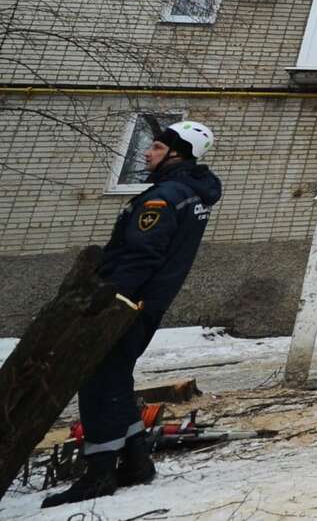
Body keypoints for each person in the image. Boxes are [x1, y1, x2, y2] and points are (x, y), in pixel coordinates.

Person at [44, 118, 222, 509]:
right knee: (115, 378)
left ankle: (100, 473)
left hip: (126, 304)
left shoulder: (166, 196)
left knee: (98, 382)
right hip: (144, 303)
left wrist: (109, 299)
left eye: (157, 148)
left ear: (178, 154)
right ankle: (137, 461)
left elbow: (140, 255)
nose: (146, 152)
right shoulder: (187, 194)